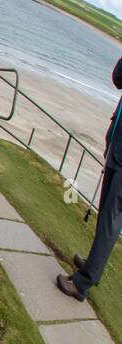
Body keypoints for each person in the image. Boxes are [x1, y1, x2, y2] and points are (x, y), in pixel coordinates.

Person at [56, 57, 122, 303]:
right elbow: (118, 79)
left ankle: (82, 284)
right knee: (106, 213)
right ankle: (94, 266)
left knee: (111, 219)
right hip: (117, 148)